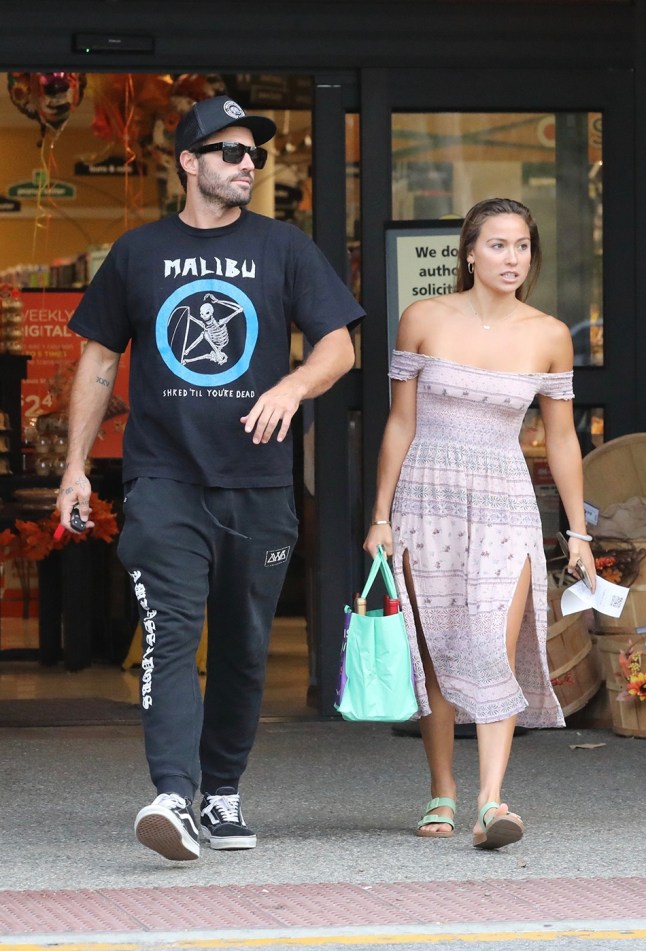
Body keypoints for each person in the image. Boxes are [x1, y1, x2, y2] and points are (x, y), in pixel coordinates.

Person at [57, 95, 364, 862]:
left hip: (257, 483)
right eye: (229, 152)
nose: (247, 164)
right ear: (189, 163)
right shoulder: (137, 253)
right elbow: (97, 363)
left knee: (244, 644)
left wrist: (293, 386)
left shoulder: (283, 247)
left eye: (253, 153)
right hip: (164, 478)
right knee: (171, 632)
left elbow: (340, 346)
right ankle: (172, 792)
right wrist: (72, 470)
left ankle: (220, 793)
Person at [364, 197, 595, 850]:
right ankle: (443, 787)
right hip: (425, 497)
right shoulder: (422, 318)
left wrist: (577, 531)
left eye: (521, 246)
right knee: (438, 650)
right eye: (497, 245)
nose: (511, 258)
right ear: (468, 251)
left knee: (494, 646)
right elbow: (399, 422)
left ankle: (493, 801)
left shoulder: (550, 333)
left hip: (505, 501)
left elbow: (562, 439)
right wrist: (380, 515)